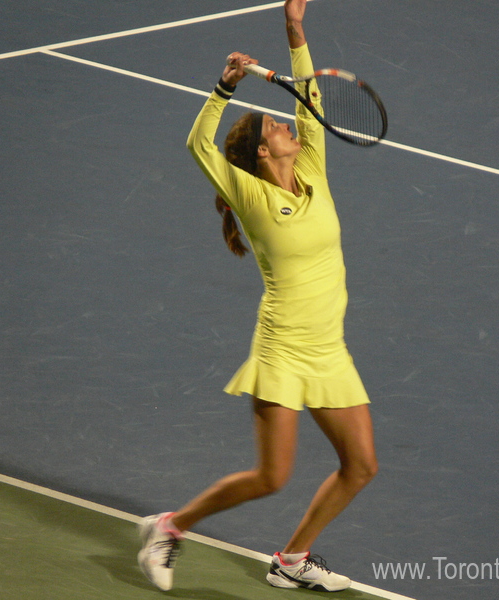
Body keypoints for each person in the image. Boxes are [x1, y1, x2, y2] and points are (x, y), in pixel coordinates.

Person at [138, 0, 377, 592]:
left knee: (362, 466)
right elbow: (199, 145)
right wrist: (223, 88)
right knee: (271, 476)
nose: (288, 124)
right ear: (262, 156)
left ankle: (292, 559)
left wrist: (295, 31)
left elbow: (310, 99)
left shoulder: (313, 170)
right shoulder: (250, 197)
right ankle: (170, 527)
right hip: (283, 348)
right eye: (275, 127)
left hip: (329, 347)